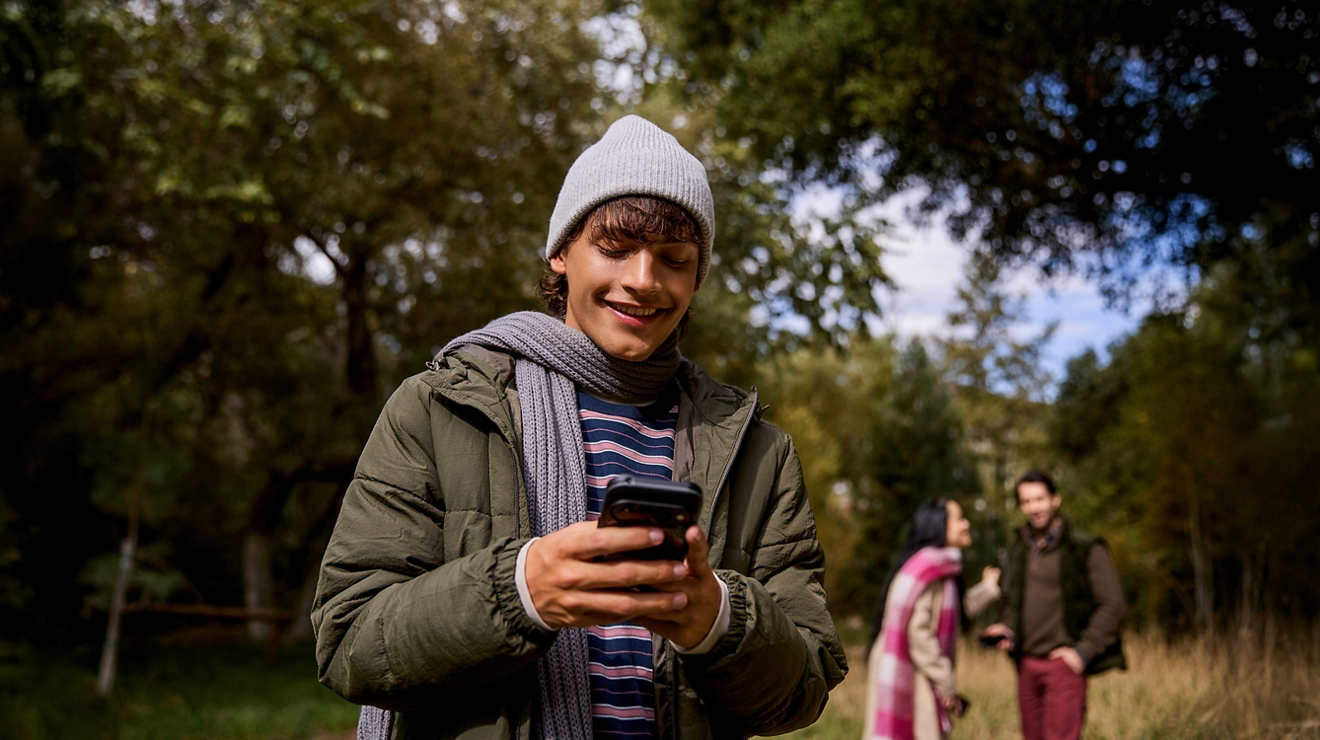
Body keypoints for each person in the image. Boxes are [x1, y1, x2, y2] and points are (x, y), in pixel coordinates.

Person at [311, 115, 848, 740]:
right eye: (615, 249)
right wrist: (522, 592)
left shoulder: (759, 449)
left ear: (696, 279)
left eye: (674, 259)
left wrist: (719, 619)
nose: (644, 280)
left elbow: (803, 689)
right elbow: (349, 640)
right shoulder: (437, 409)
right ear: (561, 252)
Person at [981, 470, 1127, 740]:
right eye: (1026, 502)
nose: (1034, 507)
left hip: (1063, 667)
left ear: (1055, 499)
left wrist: (1082, 652)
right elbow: (1011, 601)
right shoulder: (1018, 548)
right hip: (1026, 666)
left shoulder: (1084, 547)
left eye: (1040, 499)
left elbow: (1113, 604)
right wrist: (1006, 628)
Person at [863, 498, 1000, 740]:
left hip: (917, 668)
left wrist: (987, 589)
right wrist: (945, 681)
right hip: (912, 671)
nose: (966, 524)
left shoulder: (943, 570)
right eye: (959, 519)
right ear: (939, 525)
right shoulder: (926, 571)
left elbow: (957, 610)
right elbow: (919, 633)